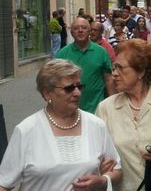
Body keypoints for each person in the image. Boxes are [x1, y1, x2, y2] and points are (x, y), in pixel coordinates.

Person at [0, 59, 122, 190]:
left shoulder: (96, 125)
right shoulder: (26, 130)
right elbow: (4, 183)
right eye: (69, 88)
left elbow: (117, 171)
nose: (77, 93)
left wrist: (103, 180)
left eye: (79, 86)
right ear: (47, 93)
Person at [96, 39, 151, 191]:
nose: (114, 74)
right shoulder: (105, 108)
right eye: (114, 67)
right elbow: (97, 154)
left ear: (141, 71)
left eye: (120, 68)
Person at [57, 17, 114, 113]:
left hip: (97, 108)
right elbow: (56, 83)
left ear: (89, 31)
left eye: (84, 28)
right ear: (71, 32)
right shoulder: (62, 54)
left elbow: (108, 80)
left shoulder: (101, 52)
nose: (80, 31)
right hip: (71, 109)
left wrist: (113, 104)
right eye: (76, 28)